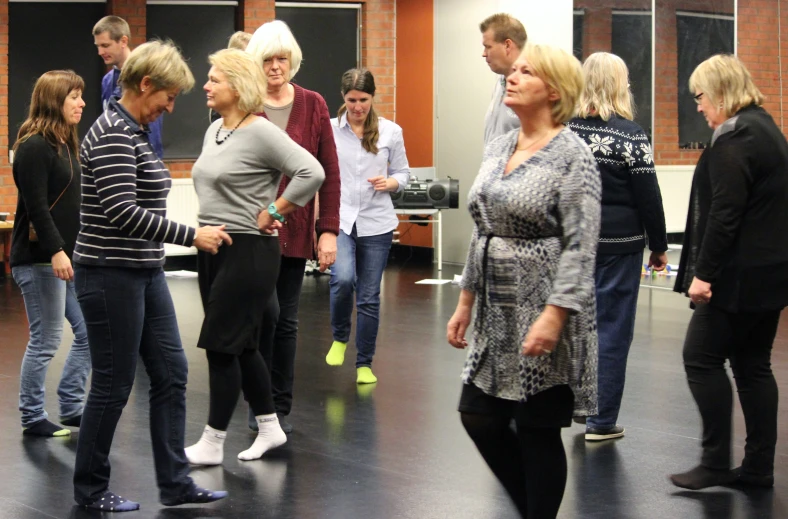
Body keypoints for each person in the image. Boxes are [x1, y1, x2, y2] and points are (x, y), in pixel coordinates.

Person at [72, 40, 230, 512]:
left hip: (143, 270)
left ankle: (175, 483)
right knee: (114, 383)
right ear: (145, 85)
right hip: (108, 276)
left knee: (171, 373)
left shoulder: (134, 130)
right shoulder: (114, 133)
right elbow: (123, 211)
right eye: (168, 95)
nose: (170, 106)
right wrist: (191, 234)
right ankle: (90, 491)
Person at [446, 44, 600, 519]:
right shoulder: (500, 145)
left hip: (544, 308)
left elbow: (581, 245)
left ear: (554, 90)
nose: (511, 78)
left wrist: (555, 315)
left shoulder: (574, 156)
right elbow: (483, 226)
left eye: (525, 72)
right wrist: (465, 301)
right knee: (478, 414)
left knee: (536, 427)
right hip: (497, 311)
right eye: (512, 71)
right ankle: (532, 509)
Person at [184, 49, 324, 466]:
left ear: (238, 87)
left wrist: (277, 209)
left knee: (220, 346)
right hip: (214, 248)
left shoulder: (261, 131)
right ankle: (270, 427)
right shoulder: (215, 131)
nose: (206, 86)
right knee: (242, 345)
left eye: (214, 80)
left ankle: (212, 442)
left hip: (249, 250)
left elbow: (311, 171)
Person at [670, 54, 788, 491]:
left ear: (719, 92)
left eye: (700, 97)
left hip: (737, 276)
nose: (698, 107)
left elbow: (724, 214)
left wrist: (703, 274)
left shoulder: (734, 138)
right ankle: (757, 468)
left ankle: (715, 461)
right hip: (772, 272)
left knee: (700, 358)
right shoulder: (766, 128)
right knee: (753, 366)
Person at [244, 20, 341, 433]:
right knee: (258, 318)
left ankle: (278, 406)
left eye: (282, 58)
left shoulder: (314, 104)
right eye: (267, 59)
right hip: (252, 230)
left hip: (296, 231)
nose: (275, 66)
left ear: (292, 60)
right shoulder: (245, 103)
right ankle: (258, 402)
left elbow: (330, 173)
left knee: (286, 320)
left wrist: (329, 229)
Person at [568, 52, 668, 441]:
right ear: (618, 85)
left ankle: (578, 406)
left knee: (575, 327)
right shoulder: (630, 135)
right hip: (617, 246)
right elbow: (649, 197)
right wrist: (659, 247)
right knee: (611, 332)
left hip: (573, 246)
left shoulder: (564, 132)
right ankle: (601, 420)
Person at [10, 70, 91, 437]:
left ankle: (72, 407)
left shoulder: (64, 143)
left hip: (65, 259)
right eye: (74, 96)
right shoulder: (34, 147)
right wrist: (58, 251)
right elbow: (38, 208)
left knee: (89, 332)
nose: (81, 103)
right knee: (45, 340)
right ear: (54, 100)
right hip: (41, 259)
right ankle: (32, 416)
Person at [325, 68, 410, 385]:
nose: (357, 107)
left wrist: (391, 182)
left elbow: (404, 173)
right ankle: (339, 337)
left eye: (363, 100)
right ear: (343, 98)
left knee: (370, 297)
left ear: (373, 98)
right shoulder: (330, 129)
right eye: (351, 100)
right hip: (341, 218)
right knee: (343, 279)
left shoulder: (391, 132)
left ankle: (364, 363)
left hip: (377, 221)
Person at [93, 16, 165, 159]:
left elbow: (152, 131)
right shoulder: (107, 81)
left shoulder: (145, 78)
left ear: (123, 41)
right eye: (98, 46)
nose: (100, 52)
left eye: (105, 46)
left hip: (143, 164)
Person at [480, 13, 527, 145]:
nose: (484, 54)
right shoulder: (500, 82)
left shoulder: (532, 88)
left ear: (507, 45)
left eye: (488, 46)